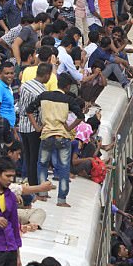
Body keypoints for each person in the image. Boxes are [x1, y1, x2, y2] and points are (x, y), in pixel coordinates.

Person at [27, 73, 85, 207]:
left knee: (42, 164)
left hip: (46, 135)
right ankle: (61, 200)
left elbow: (29, 110)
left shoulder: (44, 96)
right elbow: (80, 116)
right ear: (68, 86)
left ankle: (42, 193)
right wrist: (69, 127)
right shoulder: (68, 100)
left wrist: (37, 126)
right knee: (64, 168)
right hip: (62, 137)